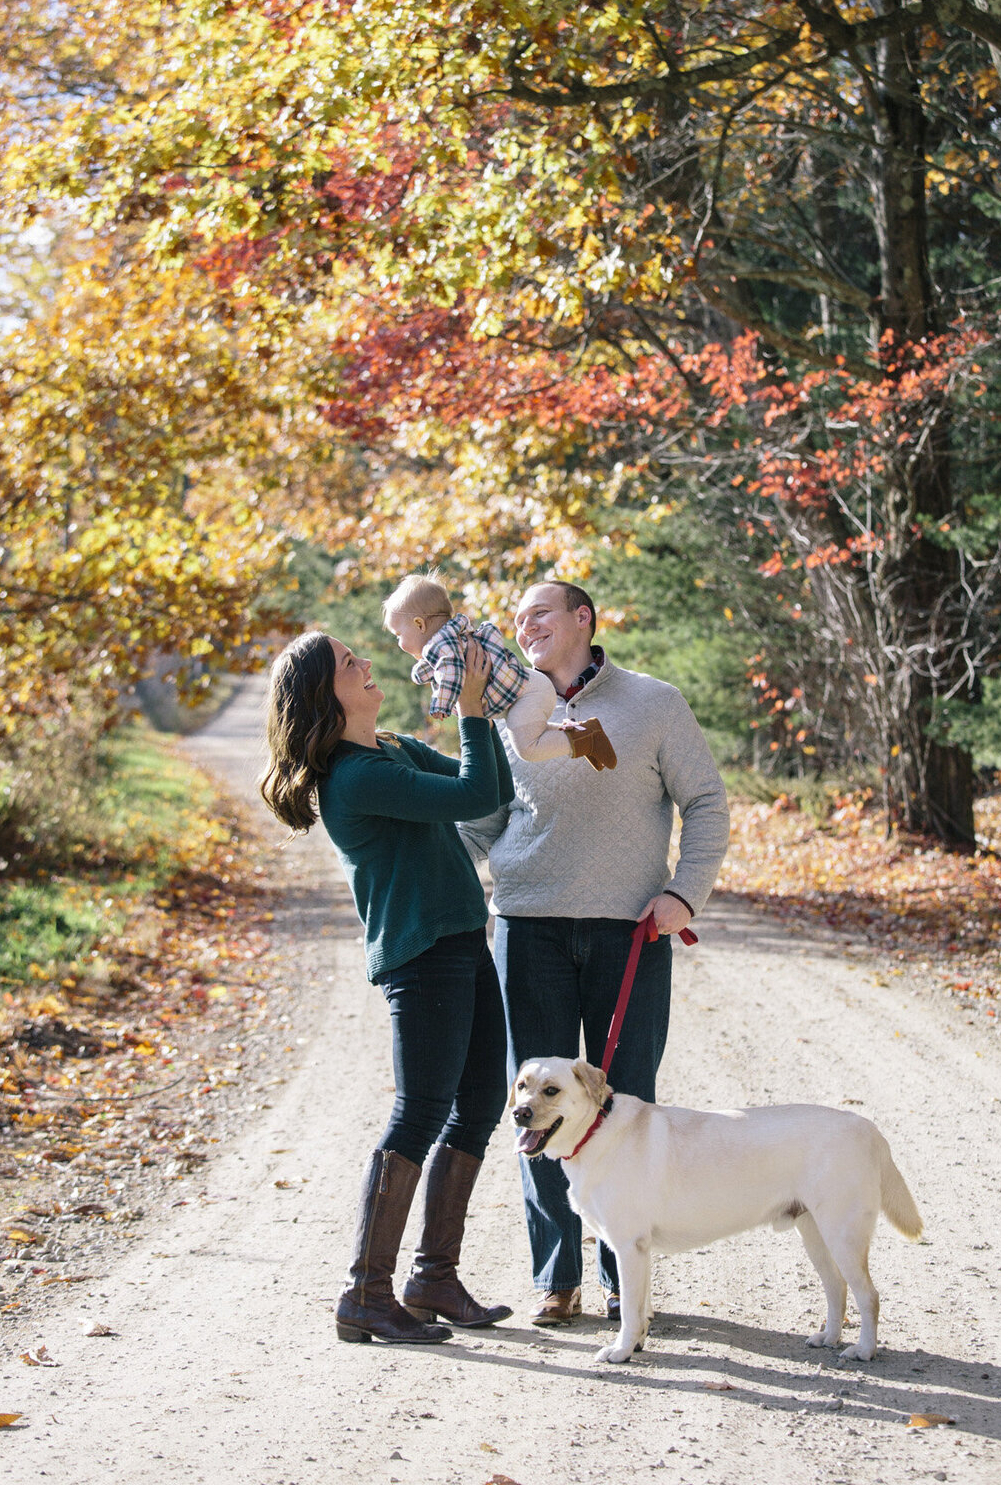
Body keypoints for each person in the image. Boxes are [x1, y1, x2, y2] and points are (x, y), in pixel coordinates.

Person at [461, 579, 730, 1326]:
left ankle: (624, 1278)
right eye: (518, 618)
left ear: (583, 619)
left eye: (539, 611)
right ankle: (557, 1278)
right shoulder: (508, 712)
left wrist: (685, 894)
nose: (525, 624)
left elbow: (705, 800)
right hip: (527, 925)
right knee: (536, 1115)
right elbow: (478, 819)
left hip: (630, 931)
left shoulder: (653, 703)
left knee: (627, 1103)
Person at [260, 628, 515, 1345]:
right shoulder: (354, 777)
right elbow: (471, 794)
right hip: (421, 956)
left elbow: (490, 788)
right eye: (349, 663)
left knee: (482, 1101)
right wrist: (471, 708)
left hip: (464, 941)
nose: (366, 664)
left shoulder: (392, 749)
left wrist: (487, 715)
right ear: (325, 694)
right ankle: (364, 1293)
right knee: (421, 1112)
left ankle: (433, 1276)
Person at [383, 571, 616, 771]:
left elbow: (450, 673)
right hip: (526, 691)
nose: (399, 644)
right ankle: (580, 732)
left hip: (527, 692)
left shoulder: (443, 647)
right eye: (519, 622)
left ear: (419, 625)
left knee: (528, 748)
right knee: (533, 733)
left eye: (398, 635)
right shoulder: (451, 640)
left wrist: (441, 704)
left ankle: (587, 738)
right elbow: (437, 667)